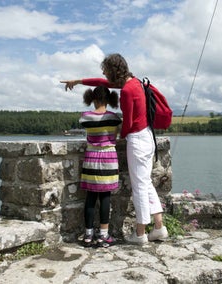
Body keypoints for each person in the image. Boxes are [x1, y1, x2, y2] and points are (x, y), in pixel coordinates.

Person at [61, 53, 169, 245]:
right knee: (146, 182)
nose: (104, 74)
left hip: (137, 140)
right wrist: (78, 81)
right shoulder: (134, 82)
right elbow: (102, 82)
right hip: (147, 136)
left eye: (105, 70)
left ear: (113, 70)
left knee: (140, 187)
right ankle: (159, 228)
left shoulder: (127, 91)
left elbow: (127, 122)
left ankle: (140, 233)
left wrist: (118, 138)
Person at [78, 85, 122, 248]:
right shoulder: (114, 117)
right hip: (109, 158)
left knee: (90, 197)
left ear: (92, 99)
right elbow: (116, 135)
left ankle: (88, 235)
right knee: (105, 197)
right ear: (109, 99)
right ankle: (103, 235)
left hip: (91, 157)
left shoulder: (85, 117)